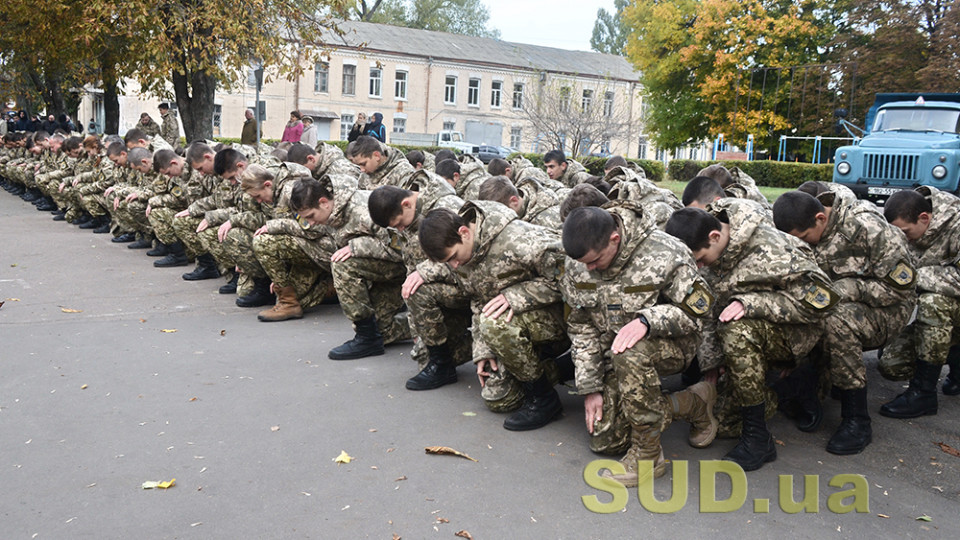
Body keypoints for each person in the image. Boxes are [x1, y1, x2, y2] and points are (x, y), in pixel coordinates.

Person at [666, 200, 838, 471]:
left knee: (737, 329)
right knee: (719, 423)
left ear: (714, 237)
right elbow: (708, 312)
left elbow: (822, 303)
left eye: (699, 259)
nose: (698, 267)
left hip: (794, 333)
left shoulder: (773, 248)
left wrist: (752, 304)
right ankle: (789, 389)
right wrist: (711, 365)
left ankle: (758, 439)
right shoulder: (708, 257)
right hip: (748, 336)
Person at [562, 205, 717, 487]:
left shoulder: (666, 252)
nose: (589, 269)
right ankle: (693, 402)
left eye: (594, 261)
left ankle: (648, 456)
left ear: (614, 239)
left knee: (630, 352)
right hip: (615, 353)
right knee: (606, 439)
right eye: (584, 263)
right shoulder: (580, 260)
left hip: (671, 344)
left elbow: (699, 313)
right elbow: (581, 325)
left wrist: (648, 320)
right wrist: (590, 387)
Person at [773, 189, 916, 455]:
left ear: (820, 219)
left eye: (805, 238)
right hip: (833, 304)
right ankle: (810, 386)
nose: (805, 245)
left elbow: (900, 290)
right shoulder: (797, 232)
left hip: (886, 310)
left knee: (838, 320)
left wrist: (849, 288)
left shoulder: (868, 228)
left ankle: (856, 419)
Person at [418, 202, 571, 431]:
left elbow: (571, 277)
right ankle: (562, 368)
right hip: (518, 319)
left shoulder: (519, 240)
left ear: (464, 232)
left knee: (494, 323)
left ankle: (544, 399)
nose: (455, 265)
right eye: (448, 262)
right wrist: (483, 350)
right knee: (499, 399)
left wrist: (515, 296)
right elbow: (480, 301)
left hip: (562, 318)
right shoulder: (466, 253)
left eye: (454, 257)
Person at [876, 186, 960, 417]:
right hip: (946, 318)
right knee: (891, 364)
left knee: (935, 301)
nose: (903, 238)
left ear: (925, 218)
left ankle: (923, 394)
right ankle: (955, 356)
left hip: (949, 308)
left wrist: (915, 277)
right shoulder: (910, 229)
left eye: (905, 231)